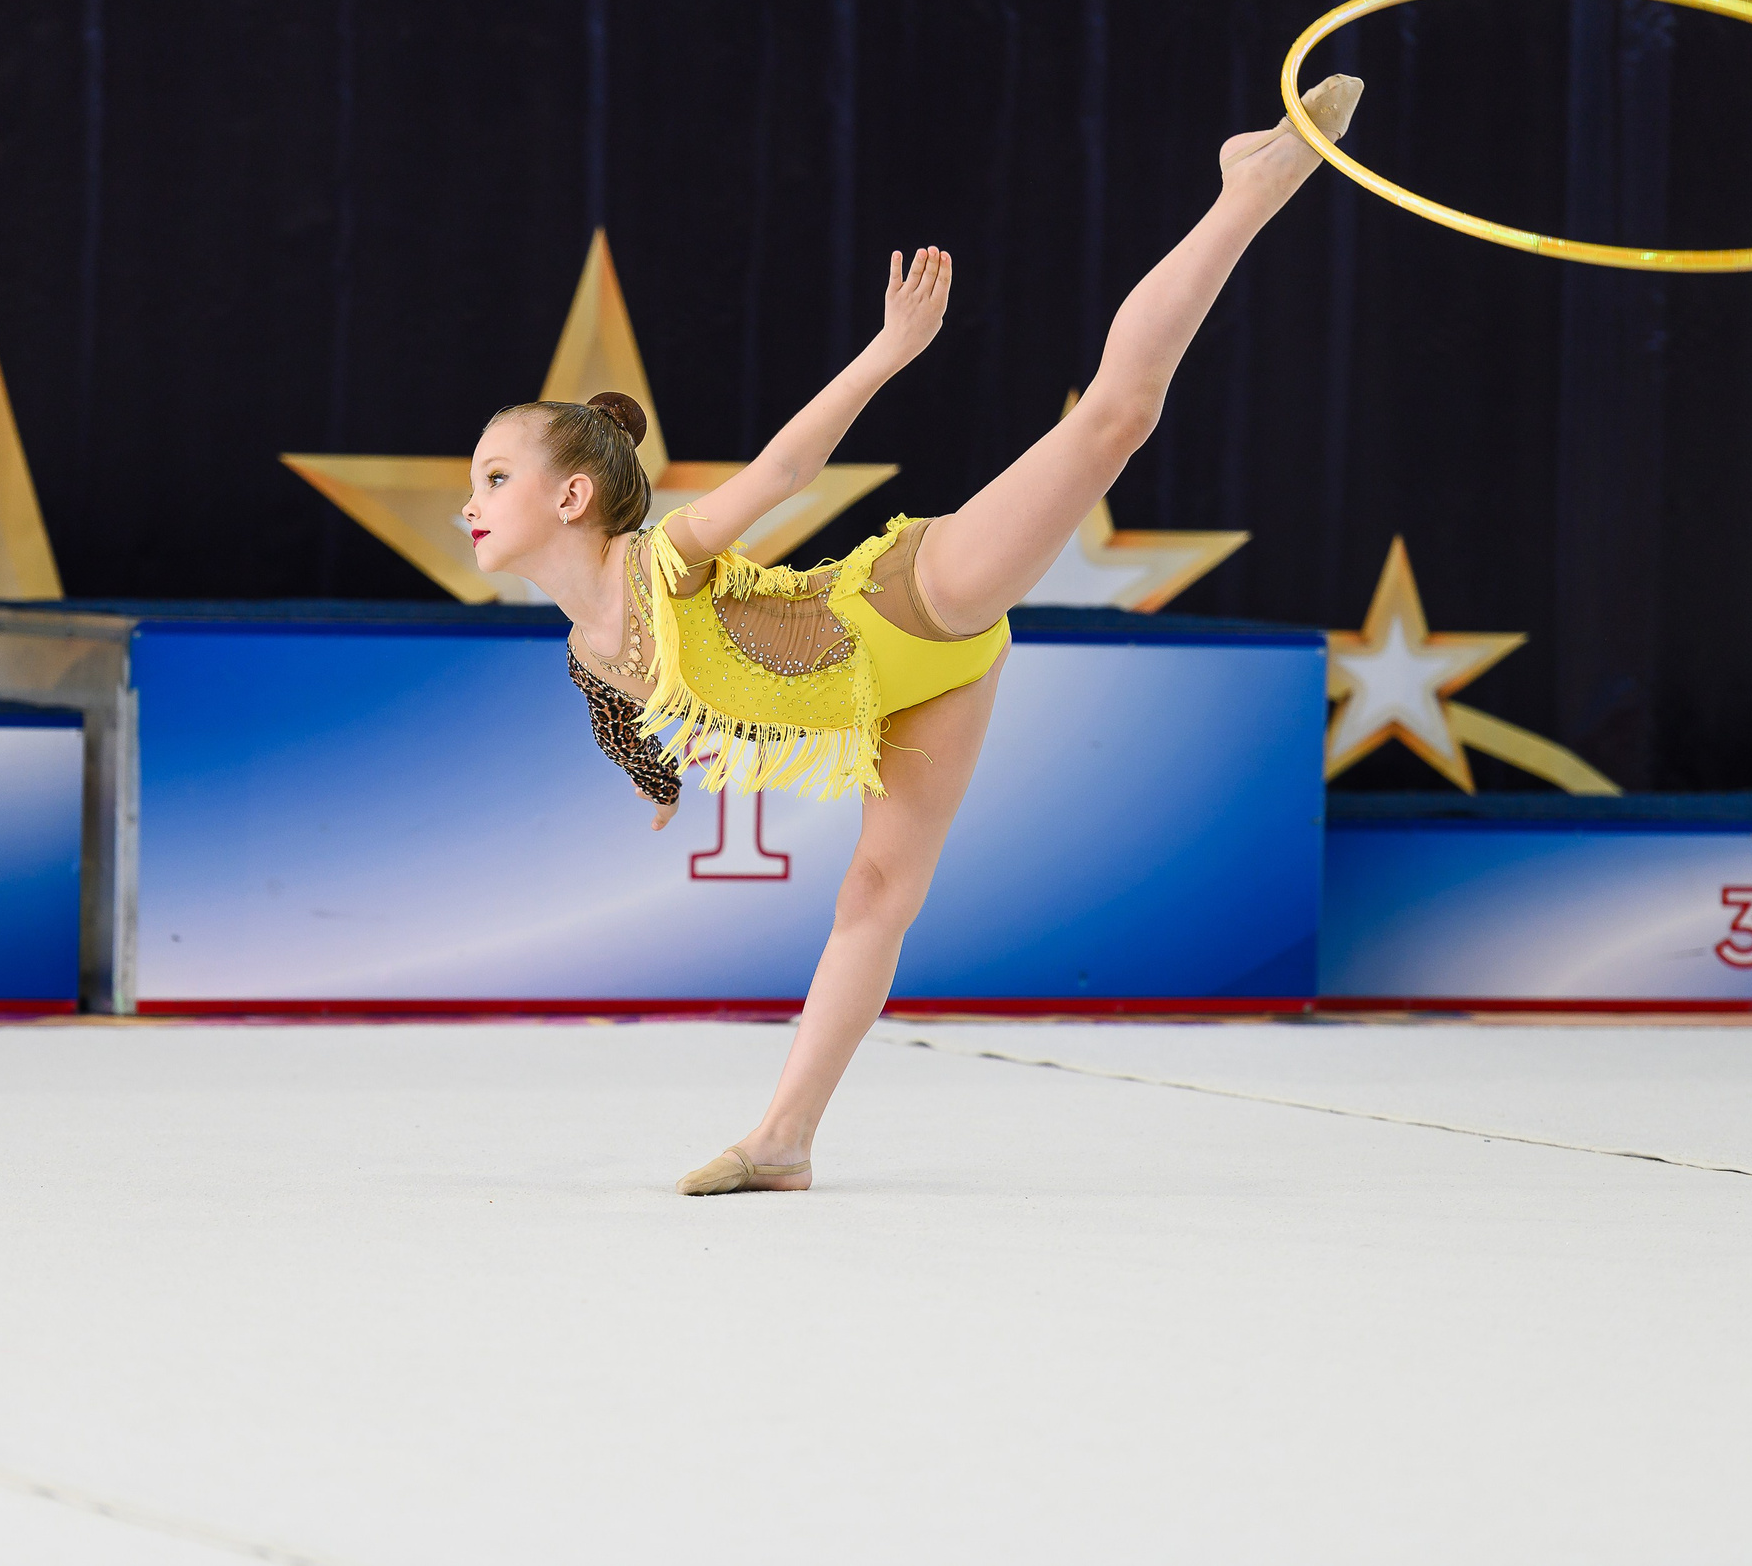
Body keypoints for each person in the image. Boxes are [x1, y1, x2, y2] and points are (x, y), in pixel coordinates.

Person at [461, 75, 1363, 1194]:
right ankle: (783, 1141)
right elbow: (622, 721)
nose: (470, 502)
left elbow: (785, 471)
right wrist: (655, 783)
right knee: (875, 895)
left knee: (1112, 422)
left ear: (570, 498)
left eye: (493, 477)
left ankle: (1242, 190)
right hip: (913, 695)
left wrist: (889, 349)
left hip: (904, 601)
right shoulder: (588, 653)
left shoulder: (659, 562)